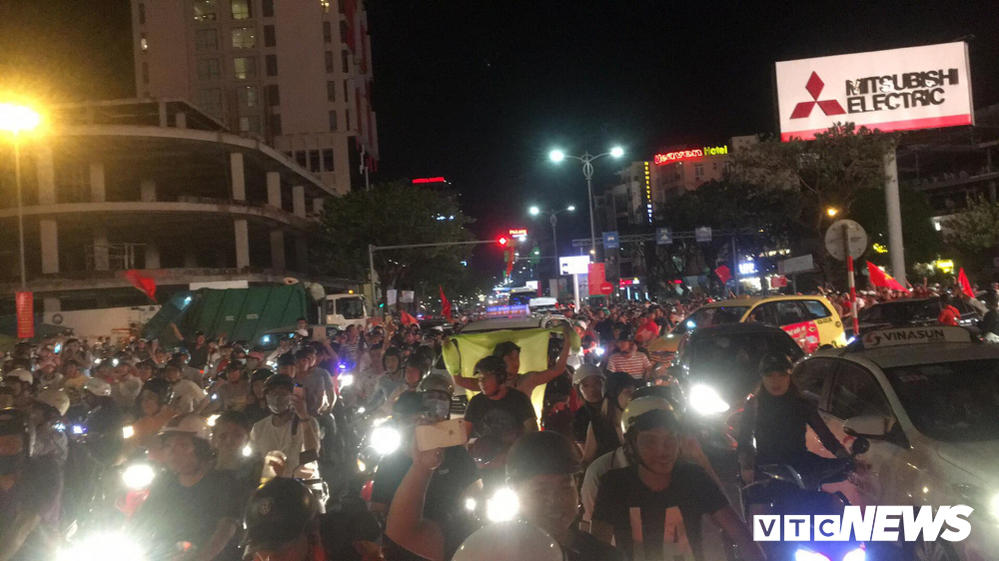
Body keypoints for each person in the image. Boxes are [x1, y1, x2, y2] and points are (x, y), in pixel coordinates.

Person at [591, 404, 764, 561]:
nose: (662, 450)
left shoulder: (694, 478)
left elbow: (741, 535)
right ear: (632, 445)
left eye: (670, 439)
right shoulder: (615, 485)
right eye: (650, 442)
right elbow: (597, 548)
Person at [132, 414, 242, 561]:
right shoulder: (164, 482)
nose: (172, 451)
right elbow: (143, 517)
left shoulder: (223, 482)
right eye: (168, 445)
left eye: (183, 445)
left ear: (201, 450)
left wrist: (202, 557)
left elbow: (226, 528)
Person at [737, 354, 849, 487]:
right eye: (770, 376)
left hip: (801, 466)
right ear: (762, 378)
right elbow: (745, 438)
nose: (776, 381)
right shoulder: (754, 405)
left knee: (828, 497)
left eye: (781, 375)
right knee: (758, 500)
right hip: (767, 470)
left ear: (789, 377)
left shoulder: (802, 404)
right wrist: (747, 466)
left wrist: (844, 456)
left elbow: (825, 435)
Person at [241, 477, 383, 561]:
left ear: (310, 532)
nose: (270, 558)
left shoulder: (349, 549)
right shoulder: (259, 557)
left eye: (279, 549)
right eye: (262, 548)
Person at [0, 408, 63, 561]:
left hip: (33, 549)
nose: (3, 450)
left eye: (11, 443)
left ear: (28, 443)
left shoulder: (45, 471)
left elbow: (22, 528)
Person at [249, 373, 321, 479]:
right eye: (273, 393)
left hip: (302, 484)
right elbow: (253, 461)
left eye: (282, 393)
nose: (277, 397)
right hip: (272, 484)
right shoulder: (259, 428)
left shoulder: (307, 422)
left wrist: (303, 416)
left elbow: (312, 454)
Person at [463, 356, 537, 442]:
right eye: (479, 379)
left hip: (514, 449)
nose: (481, 383)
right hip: (485, 449)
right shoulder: (476, 402)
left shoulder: (519, 399)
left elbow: (532, 431)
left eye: (485, 378)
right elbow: (464, 435)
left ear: (500, 377)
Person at [582, 371, 637, 464]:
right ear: (613, 396)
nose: (632, 396)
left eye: (634, 392)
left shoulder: (639, 420)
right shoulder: (598, 425)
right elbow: (587, 460)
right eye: (627, 392)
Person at [211, 410, 262, 499]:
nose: (229, 441)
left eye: (237, 435)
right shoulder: (203, 472)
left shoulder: (257, 472)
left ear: (247, 439)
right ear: (213, 439)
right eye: (223, 436)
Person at [571, 364, 605, 445]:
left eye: (596, 383)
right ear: (579, 390)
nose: (592, 389)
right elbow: (584, 448)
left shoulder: (615, 408)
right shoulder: (580, 418)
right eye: (585, 385)